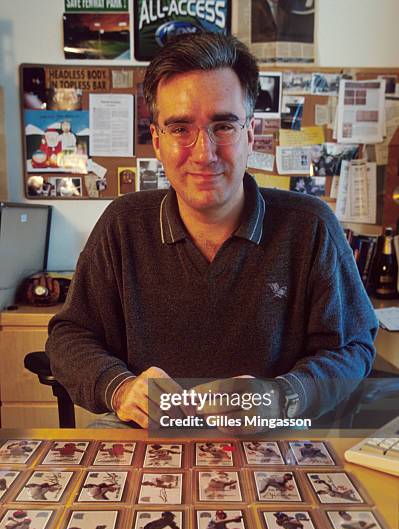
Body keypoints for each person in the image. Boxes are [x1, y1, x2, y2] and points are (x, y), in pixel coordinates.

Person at [46, 32, 377, 429]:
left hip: (274, 448)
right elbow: (69, 337)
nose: (203, 153)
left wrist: (282, 397)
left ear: (250, 134)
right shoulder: (122, 223)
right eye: (181, 128)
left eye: (223, 126)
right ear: (157, 141)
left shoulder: (310, 226)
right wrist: (120, 389)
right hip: (147, 449)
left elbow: (353, 346)